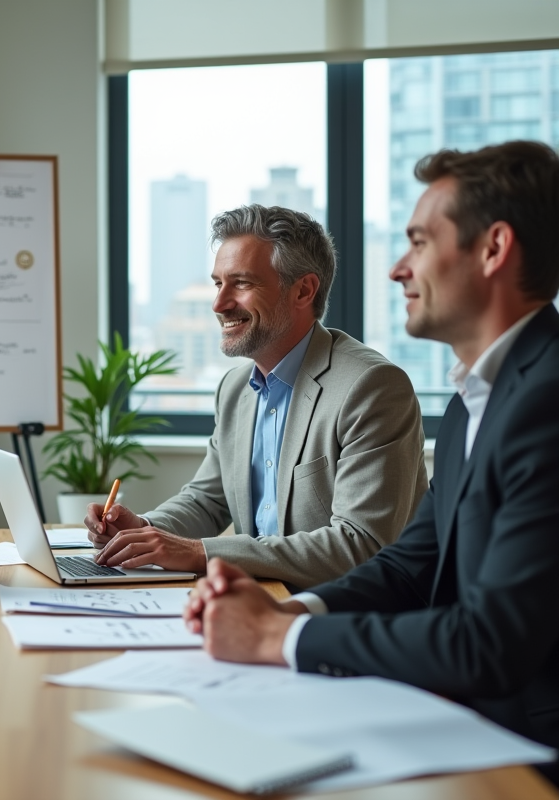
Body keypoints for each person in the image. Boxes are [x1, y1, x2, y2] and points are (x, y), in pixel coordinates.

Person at [184, 141, 559, 779]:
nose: (397, 269)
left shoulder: (547, 401)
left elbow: (490, 642)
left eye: (418, 241)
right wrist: (284, 611)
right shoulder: (476, 399)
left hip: (526, 746)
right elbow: (411, 566)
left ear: (493, 249)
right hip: (465, 714)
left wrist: (279, 639)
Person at [85, 205, 427, 588]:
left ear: (303, 290)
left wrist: (200, 552)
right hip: (264, 599)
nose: (219, 304)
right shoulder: (234, 389)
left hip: (349, 618)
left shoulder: (370, 387)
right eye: (218, 283)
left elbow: (360, 544)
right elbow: (207, 500)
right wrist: (144, 529)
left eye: (242, 283)